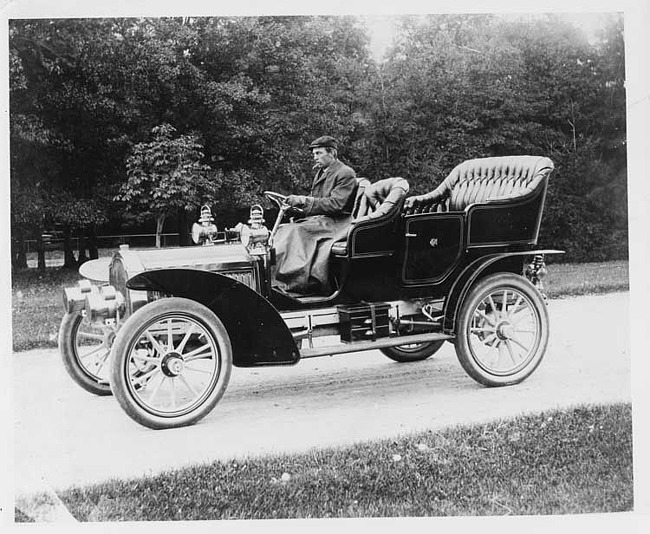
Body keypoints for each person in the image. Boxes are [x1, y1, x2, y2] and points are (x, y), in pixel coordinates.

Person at [273, 135, 357, 295]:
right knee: (284, 228)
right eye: (314, 154)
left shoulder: (345, 173)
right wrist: (297, 209)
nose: (314, 157)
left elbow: (336, 204)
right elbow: (317, 203)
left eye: (318, 153)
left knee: (297, 231)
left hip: (338, 222)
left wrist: (305, 200)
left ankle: (298, 282)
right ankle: (277, 277)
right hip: (322, 219)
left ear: (332, 153)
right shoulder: (321, 173)